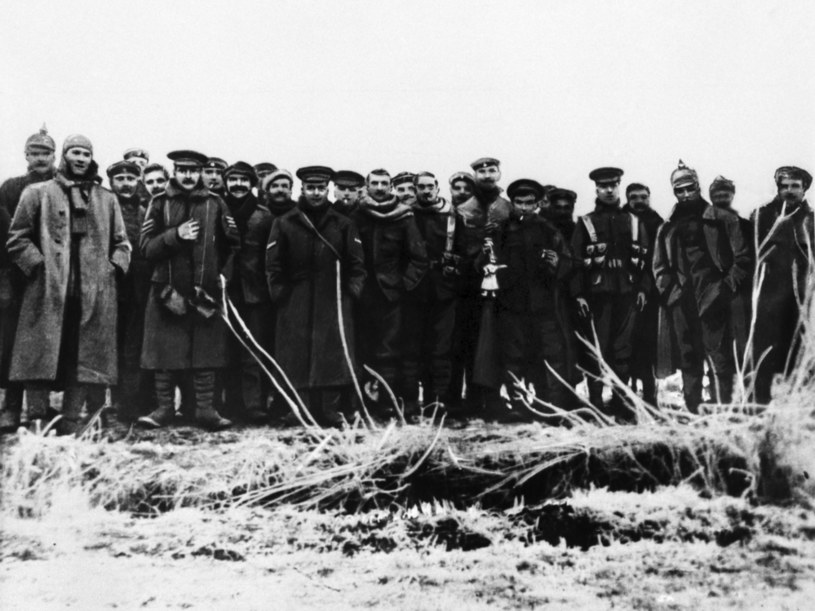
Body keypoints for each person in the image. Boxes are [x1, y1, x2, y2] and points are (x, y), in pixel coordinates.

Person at [6, 134, 131, 435]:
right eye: (74, 152)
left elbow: (122, 243)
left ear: (91, 159)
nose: (80, 159)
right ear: (64, 156)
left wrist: (111, 269)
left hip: (92, 295)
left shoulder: (106, 199)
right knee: (39, 354)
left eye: (85, 154)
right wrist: (37, 265)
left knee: (83, 356)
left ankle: (72, 420)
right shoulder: (37, 193)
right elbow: (17, 238)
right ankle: (37, 418)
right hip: (48, 291)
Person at [137, 149, 240, 431]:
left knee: (205, 353)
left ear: (201, 173)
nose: (188, 175)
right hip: (166, 292)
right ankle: (164, 409)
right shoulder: (159, 203)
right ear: (175, 171)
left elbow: (233, 246)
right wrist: (175, 236)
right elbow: (145, 247)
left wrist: (222, 277)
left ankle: (205, 410)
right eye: (182, 170)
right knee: (164, 354)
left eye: (193, 171)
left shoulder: (215, 203)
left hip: (204, 292)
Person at [266, 166, 366, 426]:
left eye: (320, 188)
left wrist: (350, 295)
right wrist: (280, 295)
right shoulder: (285, 222)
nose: (315, 193)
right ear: (302, 190)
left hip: (333, 298)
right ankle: (299, 408)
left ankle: (329, 410)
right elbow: (273, 265)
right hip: (295, 299)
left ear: (327, 190)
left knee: (332, 354)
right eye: (310, 188)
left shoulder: (343, 224)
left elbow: (358, 266)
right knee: (295, 354)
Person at [653, 161, 751, 412]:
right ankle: (693, 409)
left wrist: (726, 288)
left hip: (714, 297)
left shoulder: (723, 219)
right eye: (679, 190)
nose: (686, 194)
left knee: (719, 357)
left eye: (690, 188)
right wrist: (671, 292)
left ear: (698, 186)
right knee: (688, 357)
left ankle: (723, 409)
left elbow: (742, 259)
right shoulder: (667, 227)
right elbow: (659, 267)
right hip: (682, 301)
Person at [571, 167, 650, 417]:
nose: (608, 190)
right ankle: (596, 404)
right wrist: (579, 294)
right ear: (596, 189)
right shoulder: (586, 222)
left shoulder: (634, 222)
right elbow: (574, 261)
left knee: (623, 351)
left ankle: (620, 401)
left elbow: (646, 260)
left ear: (618, 187)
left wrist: (644, 289)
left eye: (613, 185)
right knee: (597, 349)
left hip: (627, 295)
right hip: (597, 297)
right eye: (603, 186)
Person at [493, 179, 573, 416]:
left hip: (543, 306)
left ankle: (550, 404)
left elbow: (568, 262)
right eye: (519, 203)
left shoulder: (549, 230)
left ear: (538, 204)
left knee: (549, 355)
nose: (524, 208)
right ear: (513, 203)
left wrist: (557, 263)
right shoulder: (502, 231)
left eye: (529, 203)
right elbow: (486, 260)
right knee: (513, 355)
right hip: (511, 305)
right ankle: (517, 404)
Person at [351, 169, 428, 415]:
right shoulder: (356, 216)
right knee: (362, 347)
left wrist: (404, 285)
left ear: (391, 187)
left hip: (392, 294)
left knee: (390, 348)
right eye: (375, 183)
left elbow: (419, 258)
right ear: (367, 185)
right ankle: (362, 403)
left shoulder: (404, 217)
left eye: (385, 183)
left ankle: (387, 401)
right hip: (362, 293)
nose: (380, 188)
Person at [0, 125, 57, 431]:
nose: (40, 158)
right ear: (25, 155)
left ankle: (41, 407)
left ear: (54, 155)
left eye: (45, 152)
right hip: (18, 277)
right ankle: (10, 406)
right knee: (12, 343)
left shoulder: (62, 186)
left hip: (53, 279)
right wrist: (8, 277)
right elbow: (3, 234)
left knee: (47, 341)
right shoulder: (11, 188)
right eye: (34, 152)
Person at [451, 157, 512, 415]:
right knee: (470, 340)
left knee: (497, 340)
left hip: (503, 285)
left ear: (499, 173)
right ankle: (473, 398)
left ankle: (495, 396)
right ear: (474, 175)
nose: (487, 175)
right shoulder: (464, 210)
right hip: (471, 287)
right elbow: (457, 247)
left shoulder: (508, 208)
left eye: (491, 170)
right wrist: (477, 262)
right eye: (481, 171)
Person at [401, 171, 464, 416]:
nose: (426, 191)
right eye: (421, 187)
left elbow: (463, 250)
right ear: (415, 189)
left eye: (430, 187)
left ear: (437, 188)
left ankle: (437, 399)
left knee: (441, 347)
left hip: (444, 289)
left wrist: (454, 268)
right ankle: (409, 400)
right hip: (413, 290)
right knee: (412, 346)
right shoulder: (406, 215)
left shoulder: (452, 217)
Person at [750, 166, 814, 404]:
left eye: (795, 186)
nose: (789, 191)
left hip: (800, 299)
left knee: (798, 353)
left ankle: (796, 409)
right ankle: (759, 405)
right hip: (765, 298)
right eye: (784, 186)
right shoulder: (761, 216)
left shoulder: (811, 220)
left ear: (804, 188)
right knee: (763, 353)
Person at [221, 161, 273, 423]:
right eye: (233, 180)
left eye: (243, 180)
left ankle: (254, 405)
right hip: (224, 290)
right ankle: (230, 406)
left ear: (252, 184)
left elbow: (271, 256)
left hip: (255, 292)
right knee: (225, 349)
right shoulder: (217, 209)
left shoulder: (263, 216)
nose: (238, 185)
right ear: (226, 183)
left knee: (253, 349)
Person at [107, 160, 155, 422]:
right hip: (111, 286)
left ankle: (134, 403)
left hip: (139, 287)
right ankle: (113, 402)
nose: (126, 184)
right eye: (120, 178)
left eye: (131, 178)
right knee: (110, 344)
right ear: (111, 182)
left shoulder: (146, 210)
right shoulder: (103, 208)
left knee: (134, 347)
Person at [622, 182, 663, 405]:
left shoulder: (657, 223)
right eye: (634, 197)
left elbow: (657, 259)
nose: (639, 201)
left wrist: (646, 289)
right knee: (625, 346)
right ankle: (626, 397)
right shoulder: (621, 220)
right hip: (624, 292)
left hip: (650, 295)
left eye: (643, 197)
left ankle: (649, 397)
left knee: (647, 347)